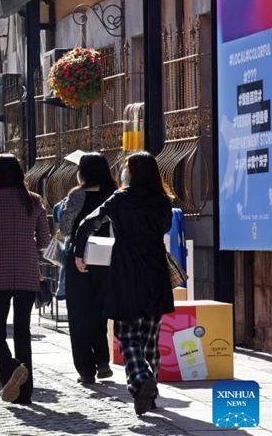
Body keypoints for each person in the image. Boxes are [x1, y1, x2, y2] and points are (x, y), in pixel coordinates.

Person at [73, 151, 174, 415]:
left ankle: (141, 381)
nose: (124, 172)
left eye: (127, 168)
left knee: (127, 336)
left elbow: (87, 223)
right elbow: (164, 228)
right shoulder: (162, 201)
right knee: (150, 339)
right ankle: (149, 395)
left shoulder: (120, 199)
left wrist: (79, 252)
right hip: (155, 273)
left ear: (132, 173)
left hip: (127, 273)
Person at [0, 154, 50, 404]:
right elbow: (45, 241)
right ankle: (25, 392)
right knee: (23, 332)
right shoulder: (34, 201)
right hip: (26, 271)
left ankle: (11, 366)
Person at [58, 153, 117, 385]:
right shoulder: (113, 194)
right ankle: (103, 360)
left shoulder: (77, 194)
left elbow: (64, 228)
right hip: (107, 256)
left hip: (80, 257)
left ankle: (86, 369)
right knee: (100, 310)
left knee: (79, 313)